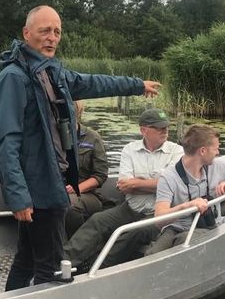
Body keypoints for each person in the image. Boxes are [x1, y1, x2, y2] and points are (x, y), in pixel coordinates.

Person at [0, 5, 161, 290]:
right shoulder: (14, 78)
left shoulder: (52, 73)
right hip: (40, 188)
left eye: (56, 32)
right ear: (26, 32)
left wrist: (136, 85)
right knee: (51, 266)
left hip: (53, 181)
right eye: (44, 30)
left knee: (28, 256)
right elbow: (7, 142)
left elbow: (94, 83)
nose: (51, 37)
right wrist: (18, 197)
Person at [63, 108, 183, 271]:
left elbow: (170, 185)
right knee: (97, 221)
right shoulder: (130, 149)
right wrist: (154, 183)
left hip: (157, 213)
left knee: (129, 234)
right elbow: (124, 186)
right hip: (130, 207)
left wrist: (138, 184)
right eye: (159, 127)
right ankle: (63, 264)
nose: (165, 131)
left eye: (166, 127)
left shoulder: (176, 151)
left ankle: (96, 270)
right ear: (143, 130)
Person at [145, 124, 225, 255]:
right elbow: (159, 220)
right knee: (153, 254)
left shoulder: (217, 165)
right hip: (176, 228)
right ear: (203, 151)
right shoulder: (168, 177)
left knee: (184, 242)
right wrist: (187, 206)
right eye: (216, 149)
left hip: (206, 226)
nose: (218, 153)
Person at [64, 100, 109, 237]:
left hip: (87, 194)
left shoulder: (92, 137)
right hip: (56, 191)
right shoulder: (51, 138)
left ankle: (75, 248)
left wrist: (76, 188)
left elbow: (100, 175)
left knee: (69, 205)